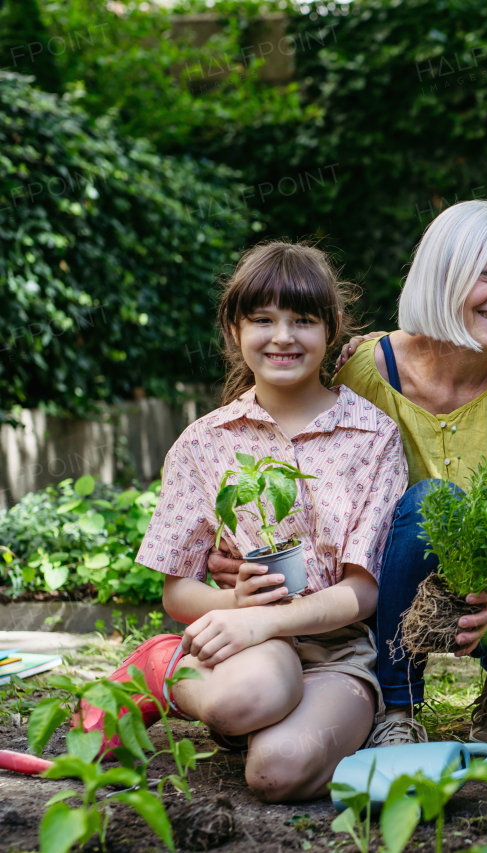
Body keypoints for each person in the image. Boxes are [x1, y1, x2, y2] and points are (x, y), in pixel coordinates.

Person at [78, 241, 407, 802]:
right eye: (263, 319)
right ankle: (164, 668)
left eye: (302, 320)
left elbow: (361, 593)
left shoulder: (373, 437)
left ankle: (275, 727)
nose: (282, 337)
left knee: (276, 774)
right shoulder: (204, 444)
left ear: (331, 330)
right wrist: (239, 608)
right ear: (234, 330)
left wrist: (267, 620)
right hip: (244, 650)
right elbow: (178, 589)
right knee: (245, 700)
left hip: (337, 653)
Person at [322, 200, 487, 751]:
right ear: (442, 275)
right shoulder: (363, 372)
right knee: (429, 501)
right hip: (395, 573)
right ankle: (394, 704)